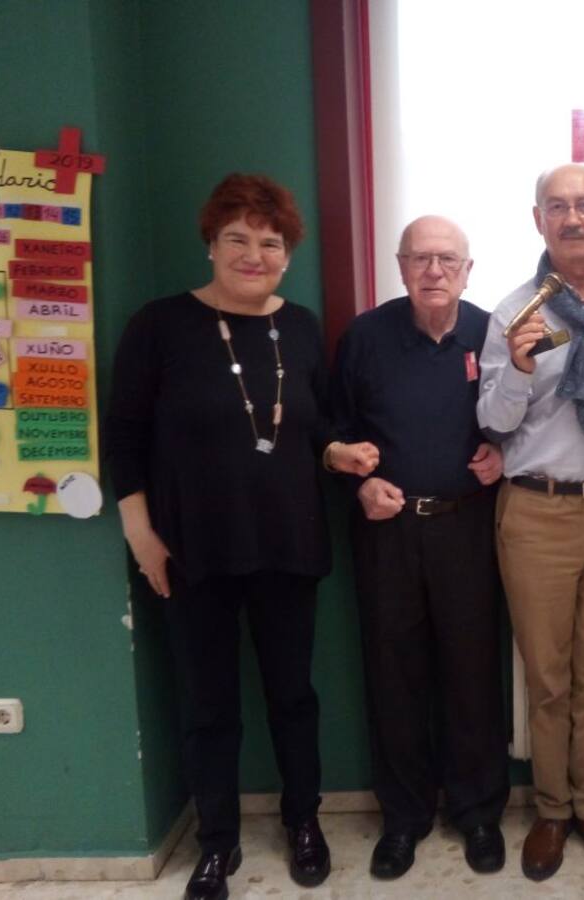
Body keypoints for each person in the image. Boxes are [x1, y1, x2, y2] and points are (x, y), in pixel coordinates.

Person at [104, 173, 380, 900]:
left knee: (294, 696)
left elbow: (315, 427)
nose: (254, 255)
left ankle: (304, 822)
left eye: (270, 243)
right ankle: (217, 843)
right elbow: (124, 438)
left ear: (287, 255)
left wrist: (339, 453)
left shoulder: (302, 327)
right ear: (211, 243)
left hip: (288, 543)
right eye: (238, 239)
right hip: (191, 549)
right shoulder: (158, 326)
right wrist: (140, 534)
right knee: (208, 705)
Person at [330, 216, 509, 880]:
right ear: (401, 266)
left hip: (469, 527)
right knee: (394, 676)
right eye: (421, 259)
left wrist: (503, 453)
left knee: (473, 674)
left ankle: (478, 812)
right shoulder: (365, 338)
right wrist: (359, 482)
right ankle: (404, 818)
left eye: (447, 259)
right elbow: (333, 432)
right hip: (389, 532)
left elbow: (524, 417)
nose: (434, 271)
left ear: (468, 269)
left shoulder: (493, 333)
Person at [477, 164, 584, 883]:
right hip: (535, 512)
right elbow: (492, 421)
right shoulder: (514, 311)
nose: (572, 218)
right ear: (537, 219)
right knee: (547, 680)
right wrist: (517, 366)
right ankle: (551, 810)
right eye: (557, 207)